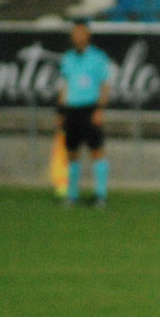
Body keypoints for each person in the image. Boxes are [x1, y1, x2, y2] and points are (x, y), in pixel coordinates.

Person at [57, 20, 111, 206]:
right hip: (72, 109)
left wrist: (99, 109)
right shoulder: (68, 58)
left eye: (81, 33)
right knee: (71, 153)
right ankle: (72, 195)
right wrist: (61, 110)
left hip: (90, 108)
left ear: (87, 36)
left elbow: (105, 85)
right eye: (75, 34)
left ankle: (100, 195)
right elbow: (65, 86)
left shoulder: (98, 58)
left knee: (96, 151)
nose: (77, 37)